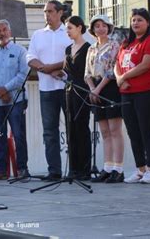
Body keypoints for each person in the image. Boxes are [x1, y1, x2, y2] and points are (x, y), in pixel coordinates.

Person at [115, 8, 150, 184]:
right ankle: (140, 169)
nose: (135, 23)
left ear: (148, 23)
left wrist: (125, 77)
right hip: (127, 92)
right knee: (133, 131)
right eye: (133, 20)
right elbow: (117, 64)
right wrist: (120, 78)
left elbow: (145, 64)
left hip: (147, 91)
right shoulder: (126, 43)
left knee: (146, 129)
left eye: (140, 20)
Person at [27, 1, 72, 181]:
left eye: (51, 11)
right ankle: (54, 170)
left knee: (72, 129)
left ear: (60, 12)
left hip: (66, 87)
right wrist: (44, 68)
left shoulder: (69, 32)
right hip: (46, 89)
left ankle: (76, 169)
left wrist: (52, 67)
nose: (47, 15)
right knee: (49, 131)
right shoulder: (38, 35)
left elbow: (75, 56)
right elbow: (30, 57)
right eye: (45, 12)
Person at [0, 19, 29, 181]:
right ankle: (1, 170)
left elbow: (23, 75)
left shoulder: (20, 51)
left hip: (15, 100)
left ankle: (22, 169)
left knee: (18, 135)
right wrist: (0, 92)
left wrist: (6, 89)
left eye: (4, 30)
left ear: (10, 31)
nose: (1, 33)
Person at [85, 14, 125, 183]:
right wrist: (92, 89)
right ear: (93, 30)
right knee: (104, 131)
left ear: (109, 27)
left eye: (104, 25)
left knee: (115, 130)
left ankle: (119, 168)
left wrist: (99, 89)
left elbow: (111, 70)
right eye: (97, 26)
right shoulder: (91, 48)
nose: (100, 28)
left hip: (109, 87)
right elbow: (87, 72)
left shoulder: (114, 45)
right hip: (95, 88)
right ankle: (107, 167)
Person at [55, 15, 92, 180]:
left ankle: (84, 169)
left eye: (70, 28)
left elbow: (88, 71)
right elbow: (67, 70)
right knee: (71, 127)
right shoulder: (68, 49)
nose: (67, 31)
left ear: (79, 27)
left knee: (81, 127)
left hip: (82, 89)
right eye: (66, 29)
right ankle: (73, 168)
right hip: (69, 90)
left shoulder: (88, 48)